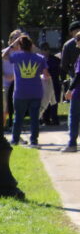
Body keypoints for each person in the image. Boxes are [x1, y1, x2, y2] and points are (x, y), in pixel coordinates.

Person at [2, 34, 49, 146]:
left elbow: (4, 55)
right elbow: (46, 75)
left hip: (20, 92)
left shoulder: (17, 57)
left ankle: (15, 139)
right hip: (36, 92)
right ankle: (34, 140)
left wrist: (12, 45)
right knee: (34, 118)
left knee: (18, 117)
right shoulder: (39, 58)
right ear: (31, 45)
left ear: (19, 46)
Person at [61, 21, 80, 152]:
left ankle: (72, 142)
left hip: (77, 85)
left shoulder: (69, 45)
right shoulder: (69, 45)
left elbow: (77, 74)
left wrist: (70, 88)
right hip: (75, 80)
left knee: (73, 115)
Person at [2, 29, 25, 129]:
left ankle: (16, 125)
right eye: (15, 38)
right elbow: (1, 61)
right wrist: (5, 75)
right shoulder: (5, 52)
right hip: (6, 83)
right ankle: (2, 125)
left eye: (19, 38)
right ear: (10, 40)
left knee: (18, 106)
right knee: (5, 106)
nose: (17, 40)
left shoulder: (23, 53)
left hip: (19, 84)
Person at [39, 42, 62, 126]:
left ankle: (55, 119)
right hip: (43, 84)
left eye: (47, 49)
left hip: (54, 83)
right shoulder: (39, 60)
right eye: (43, 49)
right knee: (45, 102)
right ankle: (45, 119)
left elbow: (58, 71)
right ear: (40, 51)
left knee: (54, 102)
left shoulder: (55, 60)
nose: (45, 51)